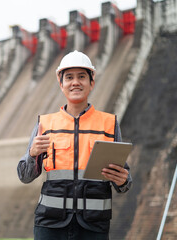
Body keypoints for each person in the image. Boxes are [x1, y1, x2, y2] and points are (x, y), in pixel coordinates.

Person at [17, 50, 132, 239]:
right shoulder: (45, 124)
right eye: (69, 77)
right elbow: (24, 176)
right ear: (61, 84)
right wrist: (32, 153)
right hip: (50, 226)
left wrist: (123, 181)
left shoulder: (109, 124)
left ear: (91, 82)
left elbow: (123, 183)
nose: (75, 82)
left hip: (93, 227)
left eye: (81, 77)